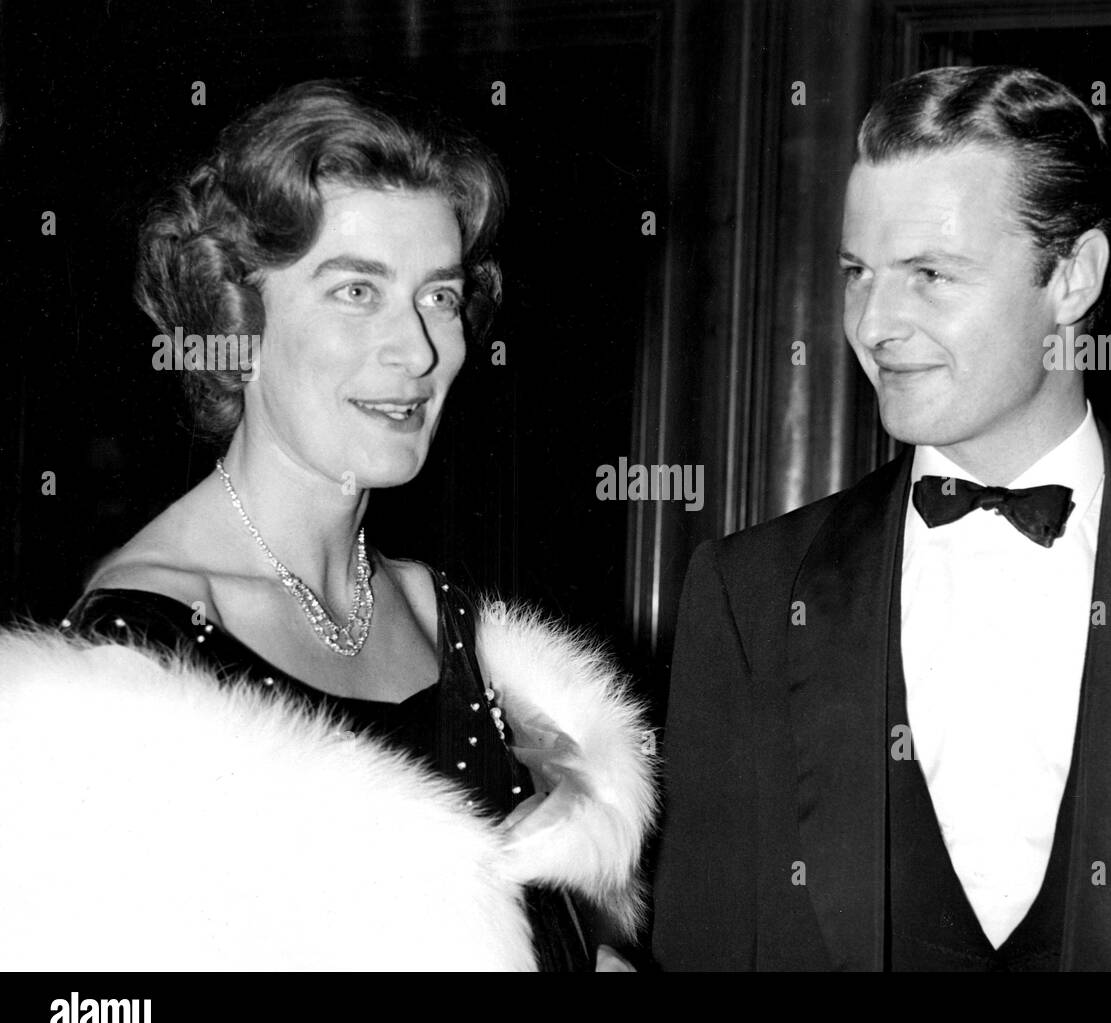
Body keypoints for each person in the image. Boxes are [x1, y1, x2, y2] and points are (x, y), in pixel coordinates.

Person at [652, 65, 1111, 971]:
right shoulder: (746, 594)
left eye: (930, 274)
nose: (874, 323)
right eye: (857, 273)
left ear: (1073, 278)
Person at [0, 80, 654, 972]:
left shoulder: (448, 616)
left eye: (439, 297)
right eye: (356, 291)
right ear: (238, 315)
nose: (417, 351)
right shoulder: (133, 655)